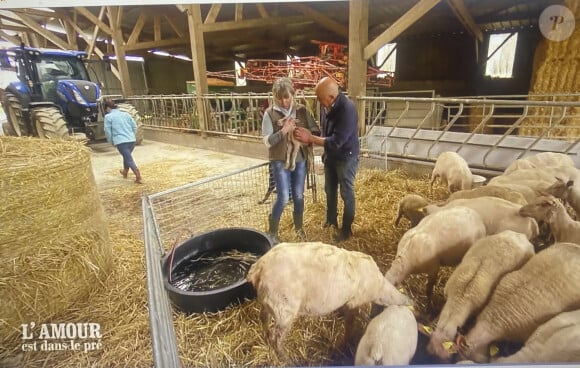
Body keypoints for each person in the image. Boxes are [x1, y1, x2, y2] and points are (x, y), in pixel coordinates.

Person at [294, 77, 359, 242]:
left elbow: (337, 141)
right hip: (331, 155)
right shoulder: (326, 106)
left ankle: (346, 229)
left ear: (331, 97)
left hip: (346, 157)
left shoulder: (347, 110)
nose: (319, 102)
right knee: (330, 190)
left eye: (320, 99)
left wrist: (310, 139)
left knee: (346, 193)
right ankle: (331, 220)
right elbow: (325, 131)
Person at [261, 77, 319, 243]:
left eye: (287, 97)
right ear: (275, 97)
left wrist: (305, 134)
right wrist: (283, 131)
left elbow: (315, 130)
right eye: (280, 98)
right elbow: (267, 141)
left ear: (293, 94)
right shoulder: (270, 113)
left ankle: (299, 228)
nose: (284, 102)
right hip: (279, 160)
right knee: (284, 197)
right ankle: (272, 232)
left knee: (299, 196)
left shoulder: (301, 110)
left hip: (300, 159)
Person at [103, 99, 143, 184]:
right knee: (126, 156)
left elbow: (107, 131)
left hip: (120, 141)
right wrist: (132, 135)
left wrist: (111, 141)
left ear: (107, 108)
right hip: (131, 140)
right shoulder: (126, 114)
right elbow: (135, 126)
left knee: (128, 158)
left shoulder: (108, 117)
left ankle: (138, 175)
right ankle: (125, 171)